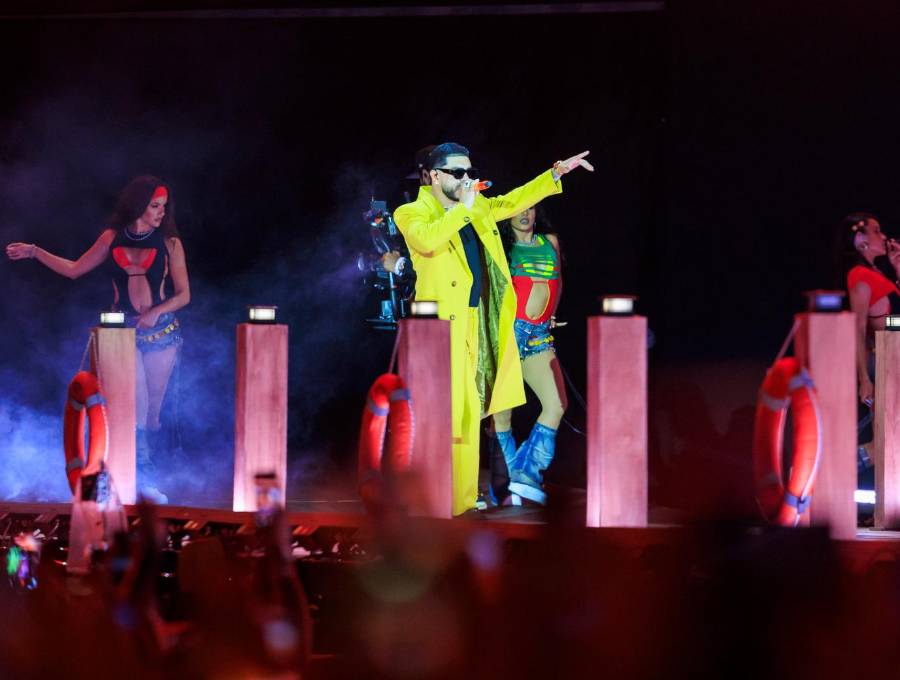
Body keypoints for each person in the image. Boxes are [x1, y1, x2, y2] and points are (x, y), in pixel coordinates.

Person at [392, 142, 592, 515]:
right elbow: (427, 239)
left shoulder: (478, 205)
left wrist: (554, 175)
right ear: (434, 175)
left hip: (475, 321)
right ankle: (433, 499)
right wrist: (464, 209)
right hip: (436, 330)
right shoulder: (411, 211)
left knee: (470, 413)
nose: (467, 179)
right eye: (458, 173)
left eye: (469, 171)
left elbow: (511, 202)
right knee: (445, 415)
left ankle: (463, 500)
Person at [6, 175, 190, 499]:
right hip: (123, 336)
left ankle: (148, 475)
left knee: (152, 414)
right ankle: (140, 478)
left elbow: (184, 295)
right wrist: (35, 251)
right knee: (137, 401)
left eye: (163, 206)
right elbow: (74, 269)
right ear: (138, 205)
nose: (161, 212)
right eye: (154, 206)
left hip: (162, 334)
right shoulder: (112, 238)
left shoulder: (170, 243)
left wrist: (156, 312)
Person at [490, 204, 567, 505]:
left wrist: (551, 313)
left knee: (556, 404)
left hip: (538, 336)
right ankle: (507, 484)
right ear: (508, 215)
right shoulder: (502, 248)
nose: (525, 214)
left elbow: (557, 283)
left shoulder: (551, 243)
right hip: (509, 334)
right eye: (519, 209)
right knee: (501, 415)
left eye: (531, 208)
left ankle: (524, 474)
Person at [837, 212, 900, 468]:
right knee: (887, 440)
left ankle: (840, 465)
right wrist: (864, 378)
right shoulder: (859, 275)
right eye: (877, 231)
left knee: (889, 441)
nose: (884, 236)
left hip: (894, 353)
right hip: (885, 357)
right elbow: (860, 326)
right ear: (860, 239)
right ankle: (836, 466)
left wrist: (897, 268)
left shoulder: (877, 274)